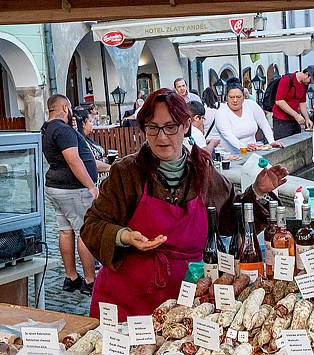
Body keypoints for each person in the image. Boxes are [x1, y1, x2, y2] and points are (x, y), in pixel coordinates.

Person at [81, 88, 289, 321]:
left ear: (186, 126)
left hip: (186, 300)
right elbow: (92, 225)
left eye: (170, 127)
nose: (161, 137)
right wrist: (124, 236)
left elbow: (230, 220)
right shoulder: (128, 173)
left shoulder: (203, 171)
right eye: (153, 127)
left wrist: (258, 191)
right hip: (127, 299)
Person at [41, 94, 98, 295]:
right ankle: (90, 281)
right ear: (64, 108)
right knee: (84, 232)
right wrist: (91, 186)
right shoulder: (62, 130)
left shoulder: (46, 129)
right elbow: (74, 160)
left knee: (65, 231)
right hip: (73, 190)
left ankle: (71, 277)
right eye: (70, 108)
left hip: (56, 187)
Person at [210, 83, 281, 155]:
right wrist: (244, 147)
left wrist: (271, 141)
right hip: (232, 155)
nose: (235, 100)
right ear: (226, 97)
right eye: (231, 97)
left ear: (244, 97)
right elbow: (228, 135)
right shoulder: (221, 112)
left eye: (238, 97)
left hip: (254, 152)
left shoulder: (251, 105)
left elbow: (264, 124)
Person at [272, 66, 314, 140]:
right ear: (306, 74)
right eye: (310, 80)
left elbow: (302, 102)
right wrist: (296, 115)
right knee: (284, 144)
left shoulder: (304, 85)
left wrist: (307, 119)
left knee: (296, 142)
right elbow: (279, 101)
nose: (309, 83)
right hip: (281, 120)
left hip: (294, 120)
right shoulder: (287, 79)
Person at [73, 106, 112, 178]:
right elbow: (91, 163)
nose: (92, 124)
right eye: (90, 121)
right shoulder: (81, 142)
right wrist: (112, 167)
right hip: (98, 180)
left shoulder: (86, 139)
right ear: (83, 124)